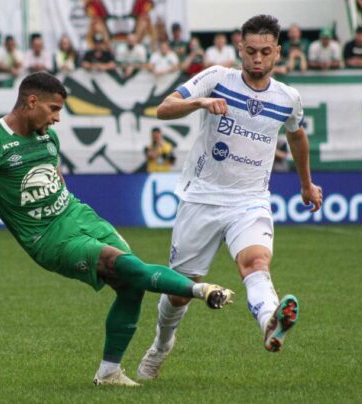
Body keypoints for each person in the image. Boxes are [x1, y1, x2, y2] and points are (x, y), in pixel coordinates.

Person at [0, 72, 233, 386]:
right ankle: (201, 289)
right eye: (54, 109)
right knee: (124, 266)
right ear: (30, 102)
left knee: (131, 284)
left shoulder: (47, 137)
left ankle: (109, 373)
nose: (58, 118)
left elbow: (53, 176)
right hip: (48, 239)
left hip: (78, 215)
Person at [136, 14, 323, 381]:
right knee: (179, 292)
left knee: (255, 263)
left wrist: (306, 184)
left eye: (265, 52)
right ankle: (161, 344)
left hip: (250, 200)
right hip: (202, 198)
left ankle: (270, 320)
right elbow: (164, 108)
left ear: (277, 53)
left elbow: (297, 137)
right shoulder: (217, 79)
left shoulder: (288, 98)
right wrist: (200, 104)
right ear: (240, 48)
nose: (257, 58)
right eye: (250, 51)